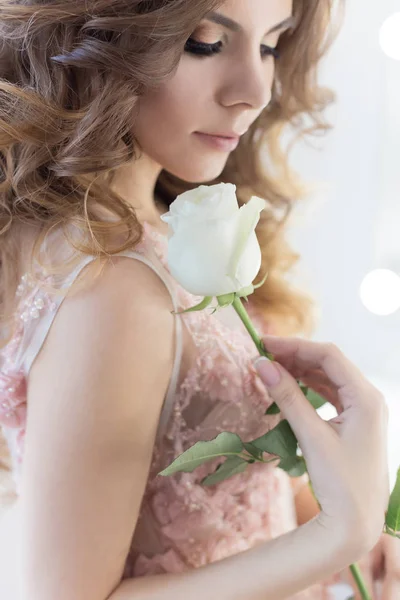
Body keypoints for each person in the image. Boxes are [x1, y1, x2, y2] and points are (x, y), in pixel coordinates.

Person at [0, 0, 393, 598]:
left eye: (269, 46)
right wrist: (338, 534)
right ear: (96, 37)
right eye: (205, 43)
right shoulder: (115, 286)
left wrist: (341, 528)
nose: (255, 90)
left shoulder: (144, 236)